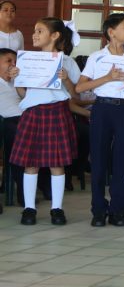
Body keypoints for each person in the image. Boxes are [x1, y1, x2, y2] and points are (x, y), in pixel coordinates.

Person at [8, 18, 80, 226]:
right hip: (33, 113)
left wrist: (66, 78)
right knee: (31, 163)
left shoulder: (67, 62)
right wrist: (16, 79)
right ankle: (29, 208)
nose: (34, 35)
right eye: (34, 31)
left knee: (57, 163)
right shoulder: (27, 60)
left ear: (55, 35)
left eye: (40, 31)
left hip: (57, 112)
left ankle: (57, 209)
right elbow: (23, 94)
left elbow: (76, 93)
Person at [77, 14, 124, 227]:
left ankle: (118, 209)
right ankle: (98, 209)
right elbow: (80, 87)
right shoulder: (96, 57)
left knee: (122, 161)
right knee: (98, 160)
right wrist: (107, 77)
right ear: (111, 32)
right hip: (103, 108)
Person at [0, 48, 22, 208]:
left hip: (24, 120)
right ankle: (22, 190)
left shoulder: (18, 81)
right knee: (16, 136)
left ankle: (41, 184)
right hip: (5, 122)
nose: (13, 65)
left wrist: (20, 81)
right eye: (8, 61)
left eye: (15, 61)